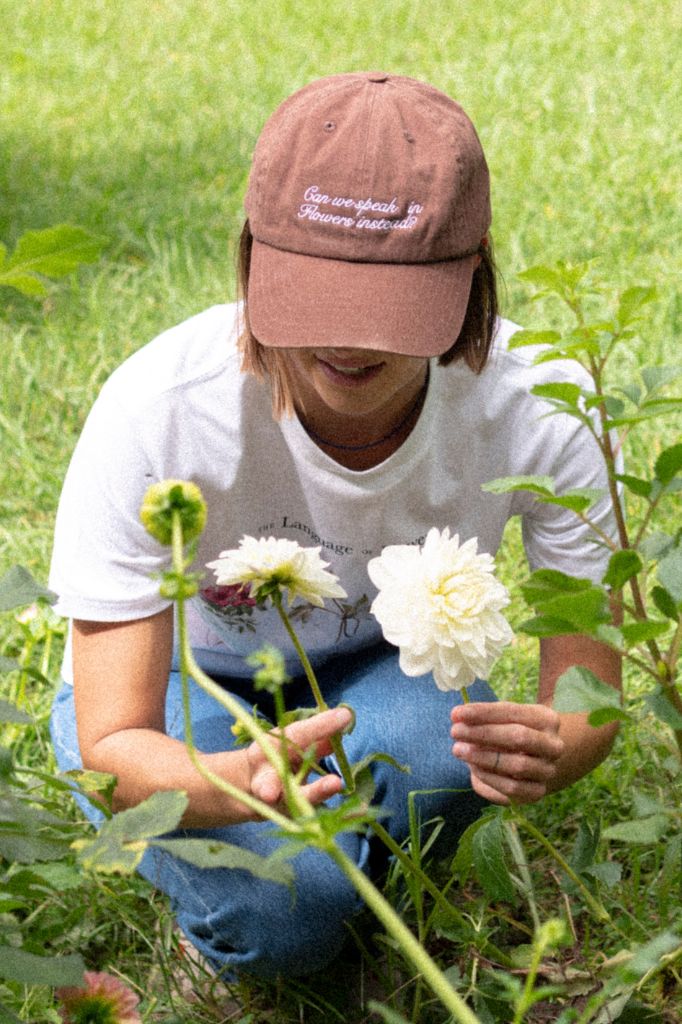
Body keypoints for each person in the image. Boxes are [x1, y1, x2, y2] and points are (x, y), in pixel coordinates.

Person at [49, 71, 621, 980]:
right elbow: (115, 742)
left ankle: (333, 851)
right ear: (249, 258)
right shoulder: (159, 409)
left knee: (442, 749)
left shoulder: (543, 409)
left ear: (470, 279)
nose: (348, 342)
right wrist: (216, 786)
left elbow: (587, 693)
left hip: (375, 678)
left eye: (388, 303)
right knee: (289, 923)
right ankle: (312, 881)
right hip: (175, 696)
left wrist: (561, 743)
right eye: (315, 295)